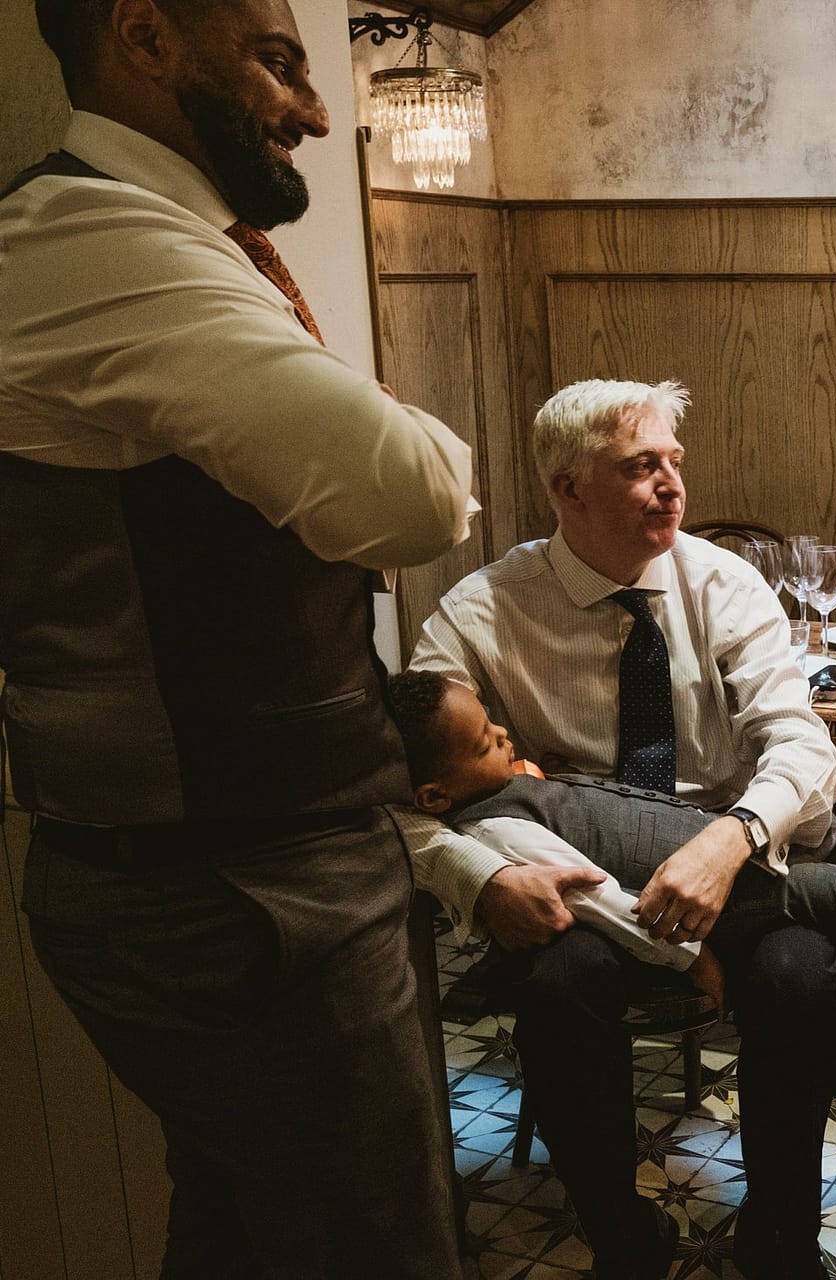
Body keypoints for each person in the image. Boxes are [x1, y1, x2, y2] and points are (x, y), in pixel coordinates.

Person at [0, 0, 475, 1273]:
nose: (318, 112)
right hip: (238, 887)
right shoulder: (96, 240)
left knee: (248, 1236)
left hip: (243, 868)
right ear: (144, 39)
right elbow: (414, 491)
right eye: (277, 61)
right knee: (380, 1248)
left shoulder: (175, 242)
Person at [405, 377, 836, 1279]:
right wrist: (481, 879)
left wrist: (730, 837)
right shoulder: (481, 611)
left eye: (674, 463)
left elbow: (802, 748)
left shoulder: (722, 584)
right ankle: (624, 1239)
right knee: (558, 986)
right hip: (575, 883)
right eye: (639, 468)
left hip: (726, 863)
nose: (672, 487)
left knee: (803, 974)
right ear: (567, 489)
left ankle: (780, 1234)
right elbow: (399, 792)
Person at [389, 668, 836, 1022]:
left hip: (731, 849)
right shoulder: (496, 830)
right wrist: (694, 958)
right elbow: (599, 897)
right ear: (434, 796)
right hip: (728, 897)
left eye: (491, 723)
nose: (503, 733)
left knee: (824, 938)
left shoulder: (507, 792)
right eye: (484, 743)